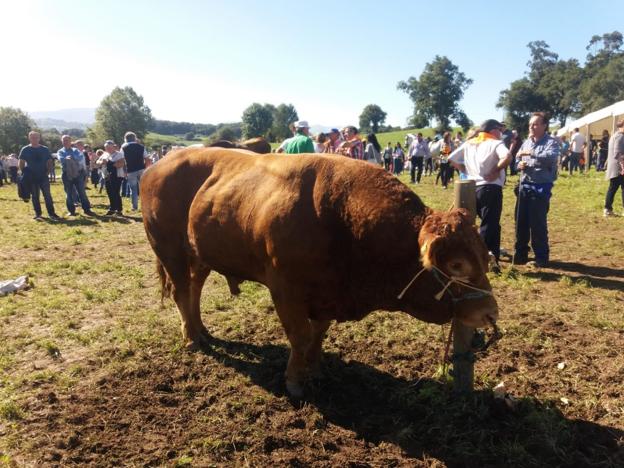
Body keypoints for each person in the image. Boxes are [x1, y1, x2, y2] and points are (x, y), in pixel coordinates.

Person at [449, 119, 512, 272]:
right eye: (500, 129)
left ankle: (469, 255)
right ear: (492, 130)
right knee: (490, 224)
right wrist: (496, 170)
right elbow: (508, 157)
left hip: (470, 188)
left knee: (469, 224)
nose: (501, 133)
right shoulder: (495, 143)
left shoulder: (470, 143)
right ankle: (486, 259)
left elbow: (451, 158)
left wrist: (464, 169)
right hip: (490, 188)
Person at [513, 112, 560, 268]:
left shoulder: (551, 142)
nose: (531, 127)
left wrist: (531, 153)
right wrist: (518, 164)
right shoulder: (526, 142)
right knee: (521, 223)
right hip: (524, 185)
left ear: (544, 126)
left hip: (540, 187)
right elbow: (517, 159)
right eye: (530, 124)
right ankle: (520, 254)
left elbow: (551, 157)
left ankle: (541, 257)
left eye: (535, 124)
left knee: (538, 223)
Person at [18, 131, 60, 221]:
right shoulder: (25, 149)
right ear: (29, 138)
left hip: (43, 176)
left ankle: (52, 213)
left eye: (36, 137)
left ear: (39, 138)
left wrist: (47, 172)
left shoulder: (45, 149)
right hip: (32, 177)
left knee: (47, 196)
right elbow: (21, 162)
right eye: (32, 137)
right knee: (35, 196)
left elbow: (49, 162)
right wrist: (25, 172)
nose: (34, 139)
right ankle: (38, 214)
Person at [57, 135, 95, 216]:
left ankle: (87, 209)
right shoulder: (60, 151)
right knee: (68, 193)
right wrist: (69, 158)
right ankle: (71, 211)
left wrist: (69, 158)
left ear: (71, 141)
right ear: (62, 141)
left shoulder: (76, 150)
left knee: (82, 192)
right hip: (66, 174)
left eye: (67, 140)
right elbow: (61, 159)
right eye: (64, 140)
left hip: (78, 174)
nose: (66, 142)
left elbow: (80, 158)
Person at [121, 131, 149, 211]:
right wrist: (146, 169)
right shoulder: (141, 147)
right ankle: (145, 205)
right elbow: (147, 159)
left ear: (126, 139)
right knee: (143, 188)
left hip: (130, 170)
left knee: (133, 189)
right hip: (141, 169)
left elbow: (122, 160)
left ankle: (134, 206)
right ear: (135, 138)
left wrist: (124, 171)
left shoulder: (123, 147)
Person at [603, 119, 624, 217]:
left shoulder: (614, 135)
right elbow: (617, 153)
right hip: (619, 168)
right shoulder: (620, 137)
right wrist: (623, 166)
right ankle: (607, 209)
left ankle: (607, 209)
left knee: (612, 188)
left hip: (615, 167)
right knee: (616, 188)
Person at [101, 140, 125, 215]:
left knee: (115, 192)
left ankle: (119, 210)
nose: (108, 149)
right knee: (109, 192)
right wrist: (102, 162)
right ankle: (112, 208)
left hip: (117, 176)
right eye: (106, 148)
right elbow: (97, 162)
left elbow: (121, 164)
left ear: (113, 147)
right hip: (106, 176)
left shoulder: (119, 154)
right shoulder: (105, 154)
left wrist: (109, 163)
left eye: (109, 147)